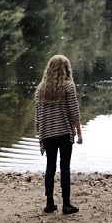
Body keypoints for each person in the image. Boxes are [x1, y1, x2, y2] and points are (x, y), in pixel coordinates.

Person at [34, 54, 83, 214]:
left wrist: (40, 132)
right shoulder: (68, 86)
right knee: (65, 167)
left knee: (50, 167)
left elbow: (37, 115)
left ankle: (49, 203)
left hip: (48, 133)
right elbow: (74, 111)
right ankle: (66, 204)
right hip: (64, 132)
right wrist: (79, 133)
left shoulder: (41, 89)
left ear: (49, 68)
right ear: (65, 68)